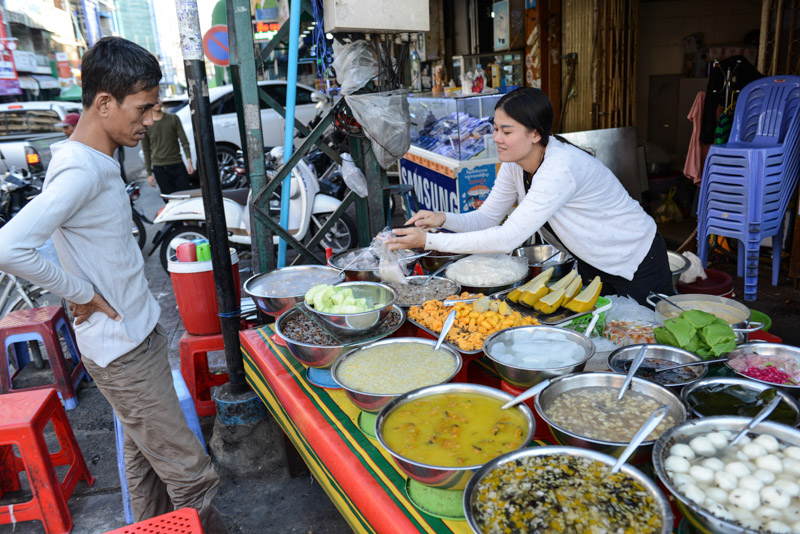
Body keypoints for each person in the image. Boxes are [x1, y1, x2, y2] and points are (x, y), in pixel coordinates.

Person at [0, 37, 228, 533]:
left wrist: (78, 281)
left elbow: (62, 245)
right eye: (143, 108)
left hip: (134, 338)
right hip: (123, 351)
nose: (151, 120)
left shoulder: (95, 160)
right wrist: (79, 291)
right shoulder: (81, 169)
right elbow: (9, 246)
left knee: (145, 467)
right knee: (193, 477)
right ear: (104, 103)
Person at [389, 87, 674, 305]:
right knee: (602, 334)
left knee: (642, 341)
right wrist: (443, 218)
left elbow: (507, 238)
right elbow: (488, 217)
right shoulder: (514, 164)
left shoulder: (559, 168)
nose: (496, 138)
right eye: (495, 128)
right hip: (593, 259)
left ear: (535, 134)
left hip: (635, 258)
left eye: (506, 131)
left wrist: (429, 240)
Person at [142, 99, 194, 199]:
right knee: (169, 200)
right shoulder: (146, 125)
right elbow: (146, 150)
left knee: (185, 197)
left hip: (177, 165)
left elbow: (184, 142)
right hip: (160, 169)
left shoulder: (173, 118)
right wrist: (149, 173)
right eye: (154, 99)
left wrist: (189, 161)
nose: (156, 101)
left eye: (158, 98)